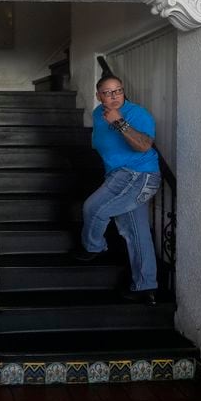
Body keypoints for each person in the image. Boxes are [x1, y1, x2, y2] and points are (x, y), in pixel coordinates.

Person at [74, 75, 161, 304]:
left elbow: (143, 146)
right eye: (107, 92)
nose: (114, 96)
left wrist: (119, 122)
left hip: (139, 175)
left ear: (123, 92)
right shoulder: (96, 114)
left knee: (94, 208)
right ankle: (145, 285)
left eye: (118, 91)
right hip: (118, 175)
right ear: (98, 96)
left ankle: (94, 246)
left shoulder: (137, 113)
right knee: (135, 231)